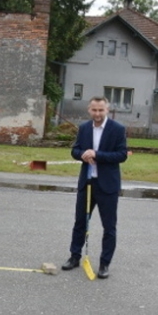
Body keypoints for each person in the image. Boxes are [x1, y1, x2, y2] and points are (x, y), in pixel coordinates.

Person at [61, 96, 128, 279]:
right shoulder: (84, 128)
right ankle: (75, 256)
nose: (97, 114)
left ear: (107, 110)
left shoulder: (118, 129)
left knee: (109, 227)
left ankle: (105, 263)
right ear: (89, 110)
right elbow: (75, 150)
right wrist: (82, 154)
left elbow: (122, 155)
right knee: (80, 222)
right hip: (87, 182)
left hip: (107, 185)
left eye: (101, 110)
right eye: (94, 110)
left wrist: (97, 154)